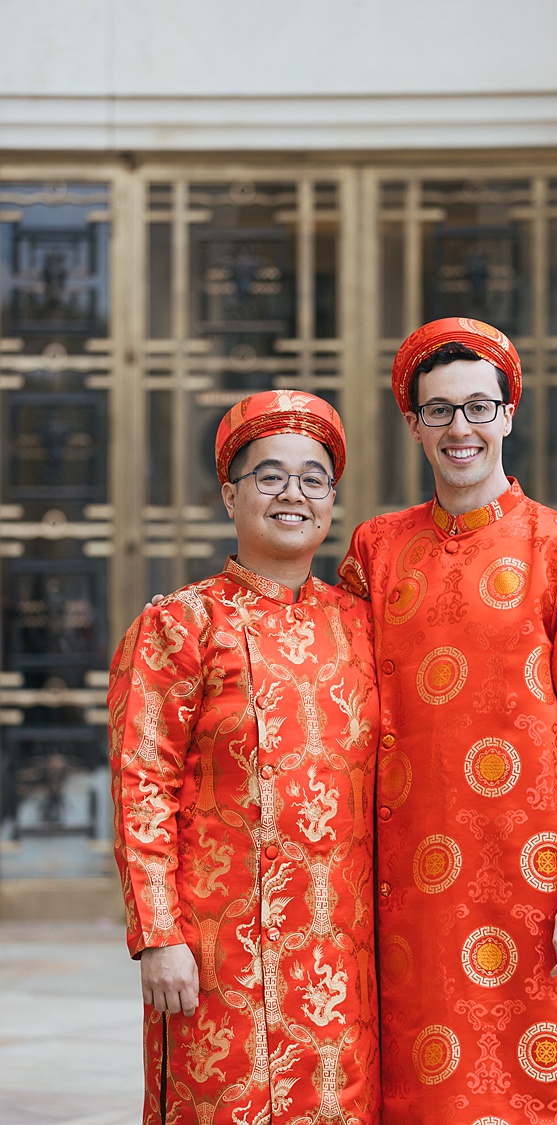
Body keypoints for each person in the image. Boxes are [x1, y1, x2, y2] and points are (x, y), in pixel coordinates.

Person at [339, 318, 557, 1124]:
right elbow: (337, 681)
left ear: (507, 413)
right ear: (414, 424)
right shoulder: (375, 547)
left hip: (529, 879)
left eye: (476, 407)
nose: (458, 428)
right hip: (402, 882)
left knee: (528, 1088)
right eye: (438, 411)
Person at [109, 390, 380, 1125]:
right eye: (270, 475)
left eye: (313, 478)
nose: (293, 493)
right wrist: (159, 935)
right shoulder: (181, 623)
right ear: (230, 495)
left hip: (342, 959)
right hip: (218, 955)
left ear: (331, 500)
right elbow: (142, 785)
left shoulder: (363, 623)